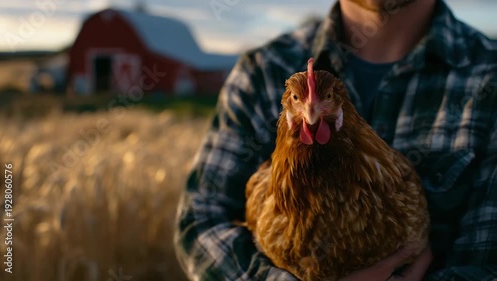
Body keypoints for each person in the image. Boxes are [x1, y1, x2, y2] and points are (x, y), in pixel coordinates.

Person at [174, 0, 497, 280]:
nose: (311, 110)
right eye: (300, 103)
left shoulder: (488, 79)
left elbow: (488, 264)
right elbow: (200, 220)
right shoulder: (262, 70)